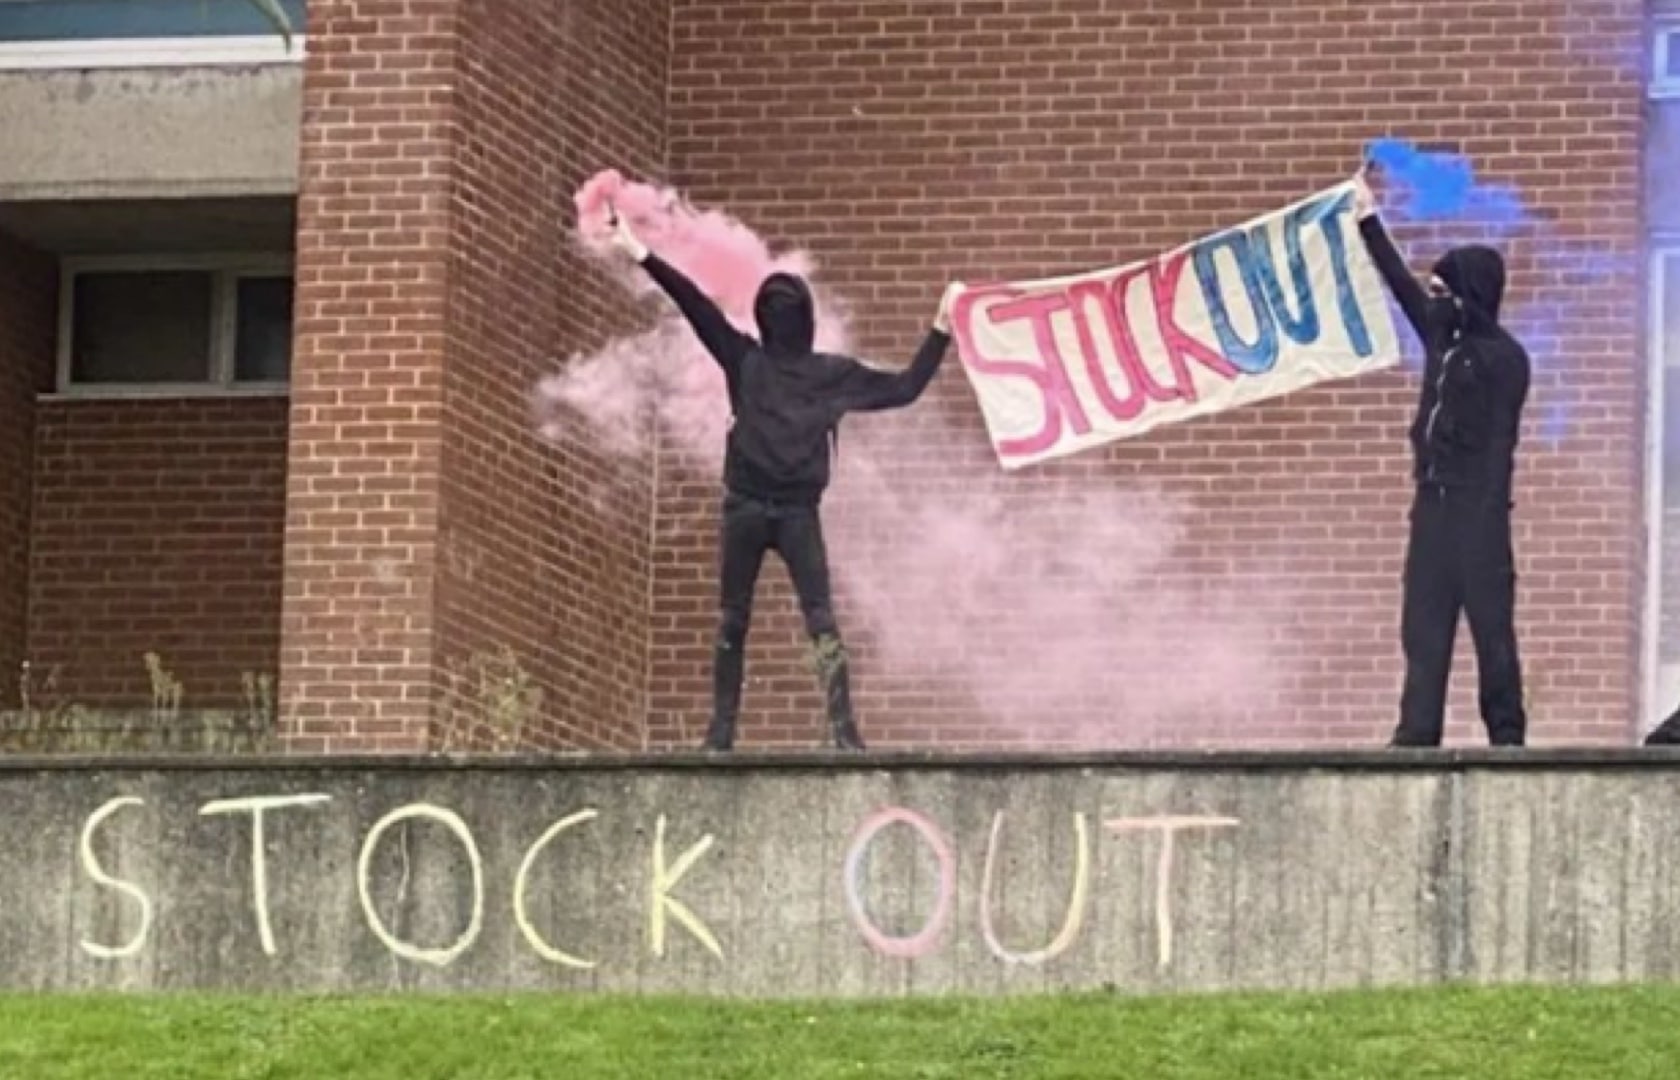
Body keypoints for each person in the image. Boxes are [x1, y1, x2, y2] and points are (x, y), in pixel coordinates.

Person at [607, 209, 959, 752]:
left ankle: (721, 734)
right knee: (820, 619)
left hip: (746, 509)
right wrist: (941, 327)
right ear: (807, 321)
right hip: (795, 514)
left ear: (764, 320)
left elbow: (692, 303)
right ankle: (843, 732)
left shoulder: (744, 360)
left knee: (733, 622)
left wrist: (639, 251)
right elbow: (907, 387)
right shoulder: (829, 377)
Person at [1351, 166, 1532, 747]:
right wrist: (1366, 219)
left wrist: (1480, 522)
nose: (1434, 301)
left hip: (1478, 516)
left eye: (1445, 292)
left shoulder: (1503, 360)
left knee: (1491, 630)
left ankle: (1506, 735)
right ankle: (1416, 732)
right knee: (1423, 629)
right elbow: (1399, 283)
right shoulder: (1441, 341)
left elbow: (1500, 445)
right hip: (1431, 509)